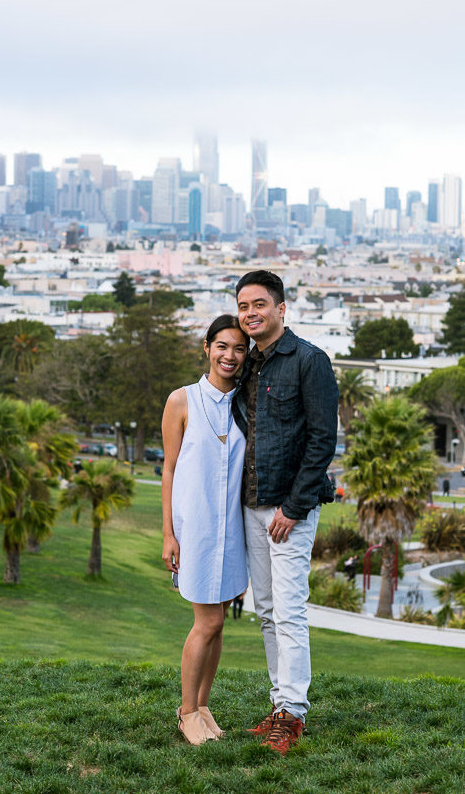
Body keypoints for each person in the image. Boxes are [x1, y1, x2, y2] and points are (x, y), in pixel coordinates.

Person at [233, 270, 338, 756]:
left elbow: (322, 440)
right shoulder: (248, 364)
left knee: (290, 610)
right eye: (242, 306)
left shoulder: (309, 360)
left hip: (288, 508)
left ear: (280, 308)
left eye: (259, 304)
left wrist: (294, 508)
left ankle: (293, 713)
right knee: (268, 611)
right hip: (253, 504)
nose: (250, 313)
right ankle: (280, 704)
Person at [161, 314, 249, 746]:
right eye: (223, 346)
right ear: (207, 346)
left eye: (239, 348)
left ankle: (204, 704)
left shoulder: (247, 404)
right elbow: (170, 468)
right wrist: (167, 533)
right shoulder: (181, 400)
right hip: (193, 527)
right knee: (208, 620)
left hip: (232, 530)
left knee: (218, 625)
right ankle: (186, 711)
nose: (230, 356)